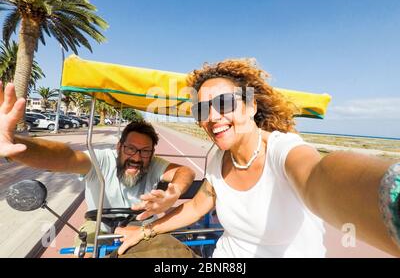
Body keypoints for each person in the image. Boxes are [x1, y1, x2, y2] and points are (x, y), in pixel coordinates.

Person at [116, 58, 400, 258]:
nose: (213, 117)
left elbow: (318, 176)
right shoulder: (218, 157)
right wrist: (146, 231)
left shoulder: (281, 150)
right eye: (202, 110)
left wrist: (389, 191)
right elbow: (195, 209)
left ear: (251, 105)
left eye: (225, 103)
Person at [0, 82, 196, 247]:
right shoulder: (100, 160)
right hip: (98, 226)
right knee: (86, 246)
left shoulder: (153, 164)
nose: (137, 157)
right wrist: (15, 142)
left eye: (145, 151)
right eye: (130, 149)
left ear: (152, 153)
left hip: (144, 226)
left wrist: (174, 192)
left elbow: (184, 171)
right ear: (119, 147)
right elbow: (66, 158)